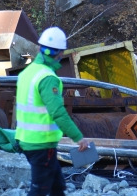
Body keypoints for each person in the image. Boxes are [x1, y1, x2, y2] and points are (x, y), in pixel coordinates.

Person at [15, 26, 89, 196]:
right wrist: (78, 138)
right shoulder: (47, 78)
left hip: (25, 139)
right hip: (41, 143)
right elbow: (57, 113)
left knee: (57, 185)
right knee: (39, 190)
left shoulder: (27, 73)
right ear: (59, 53)